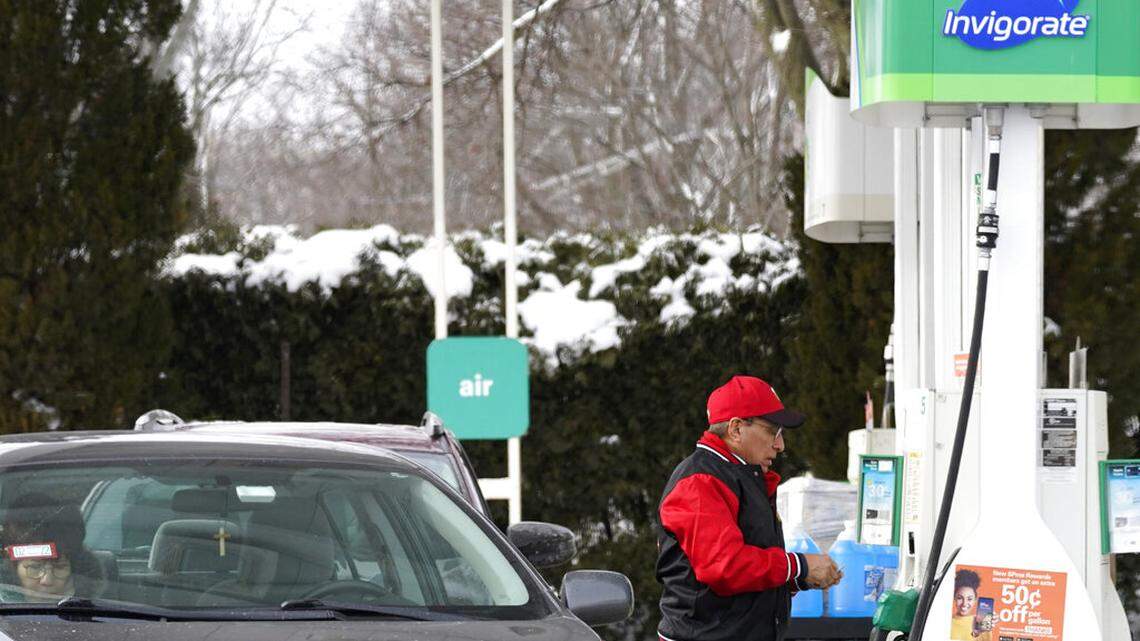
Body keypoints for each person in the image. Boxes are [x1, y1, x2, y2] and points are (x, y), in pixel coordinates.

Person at [656, 375, 842, 641]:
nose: (780, 445)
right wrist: (797, 566)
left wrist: (797, 578)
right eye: (772, 431)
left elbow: (746, 573)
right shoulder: (700, 481)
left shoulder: (739, 477)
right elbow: (725, 567)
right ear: (736, 429)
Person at [0, 493, 105, 603]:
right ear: (13, 570)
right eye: (35, 567)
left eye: (59, 567)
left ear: (74, 571)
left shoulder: (106, 611)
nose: (47, 581)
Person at [950, 569, 992, 641]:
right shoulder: (946, 621)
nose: (964, 603)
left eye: (969, 599)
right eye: (960, 598)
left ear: (975, 600)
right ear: (954, 598)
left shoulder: (982, 623)